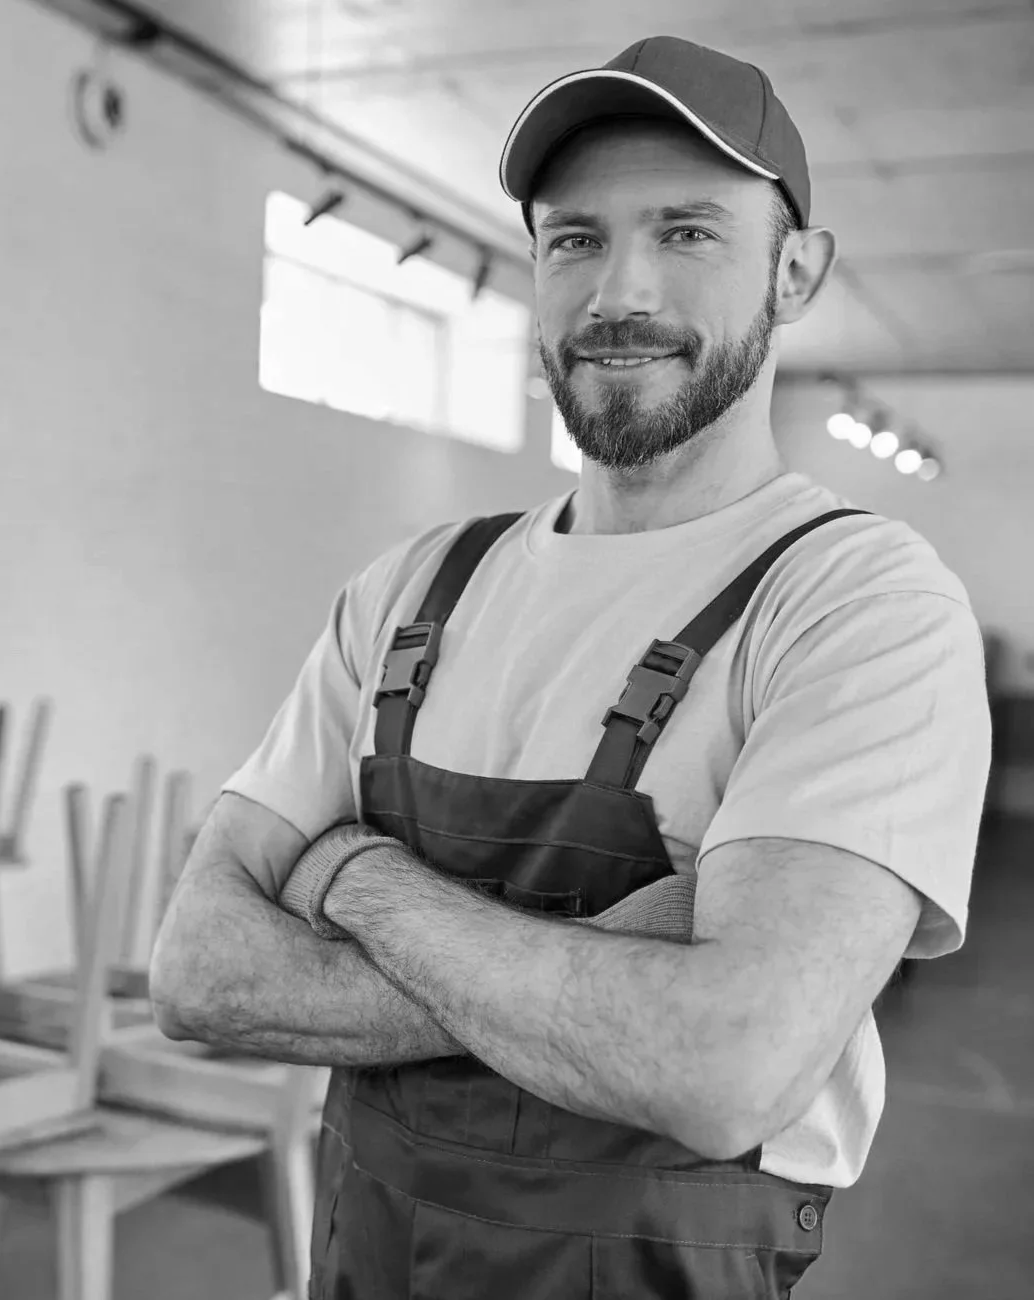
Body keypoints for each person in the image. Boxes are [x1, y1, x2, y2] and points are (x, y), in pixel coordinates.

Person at [149, 34, 992, 1299]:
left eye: (689, 232)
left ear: (797, 271)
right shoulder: (408, 592)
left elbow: (728, 1068)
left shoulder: (855, 604)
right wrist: (626, 959)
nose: (617, 293)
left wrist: (361, 879)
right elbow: (199, 973)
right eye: (575, 238)